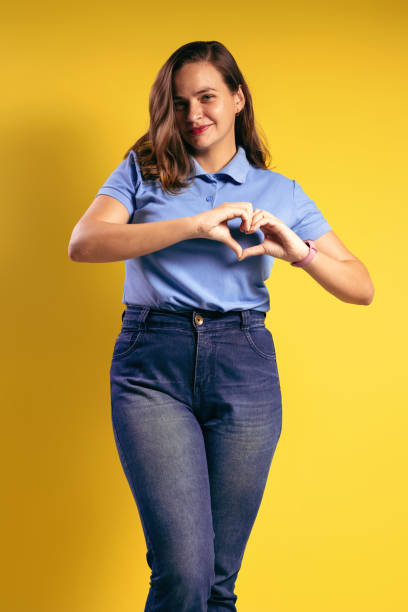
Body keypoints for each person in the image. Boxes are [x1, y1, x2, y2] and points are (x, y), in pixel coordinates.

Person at [68, 40, 374, 612]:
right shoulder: (144, 169)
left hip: (243, 363)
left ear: (237, 99)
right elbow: (84, 245)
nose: (193, 116)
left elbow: (361, 286)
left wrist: (297, 251)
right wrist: (192, 225)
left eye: (207, 98)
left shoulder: (278, 191)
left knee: (215, 584)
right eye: (179, 104)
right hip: (151, 362)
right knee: (182, 574)